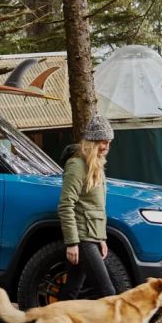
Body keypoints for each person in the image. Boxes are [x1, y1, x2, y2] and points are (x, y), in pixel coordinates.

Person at [57, 114, 116, 300]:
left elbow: (96, 207)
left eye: (108, 142)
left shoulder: (96, 165)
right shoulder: (76, 165)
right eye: (102, 141)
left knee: (72, 289)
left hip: (91, 237)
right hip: (82, 239)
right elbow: (66, 204)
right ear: (91, 141)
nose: (106, 146)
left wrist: (102, 238)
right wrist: (72, 243)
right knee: (108, 292)